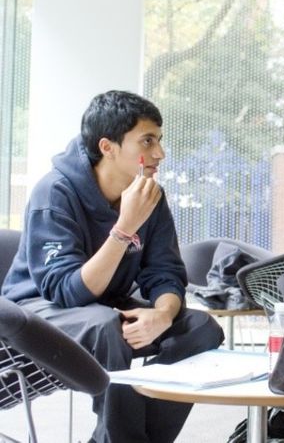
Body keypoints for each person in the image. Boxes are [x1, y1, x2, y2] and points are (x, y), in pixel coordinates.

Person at [1, 90, 225, 442]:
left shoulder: (151, 194)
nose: (159, 153)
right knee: (109, 327)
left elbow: (164, 273)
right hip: (39, 308)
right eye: (147, 141)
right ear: (108, 147)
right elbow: (67, 291)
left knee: (201, 327)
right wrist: (124, 228)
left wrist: (163, 314)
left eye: (159, 140)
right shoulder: (54, 192)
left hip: (104, 305)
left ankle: (121, 438)